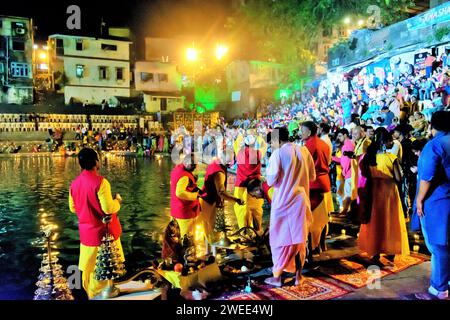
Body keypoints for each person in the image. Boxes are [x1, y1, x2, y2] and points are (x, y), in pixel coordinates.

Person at [69, 148, 124, 299]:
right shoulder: (101, 182)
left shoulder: (74, 184)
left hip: (86, 236)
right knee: (106, 269)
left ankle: (91, 295)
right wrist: (117, 201)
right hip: (104, 234)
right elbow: (108, 208)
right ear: (95, 162)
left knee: (90, 270)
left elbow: (73, 208)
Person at [265, 126, 315, 287]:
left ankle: (277, 277)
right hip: (300, 200)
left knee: (280, 239)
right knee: (299, 239)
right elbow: (312, 176)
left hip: (283, 201)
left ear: (277, 140)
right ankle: (298, 276)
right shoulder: (304, 151)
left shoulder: (277, 154)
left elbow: (270, 181)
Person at [358, 128, 410, 263]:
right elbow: (399, 177)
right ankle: (390, 249)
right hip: (389, 192)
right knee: (390, 221)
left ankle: (374, 252)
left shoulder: (368, 157)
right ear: (385, 141)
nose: (391, 143)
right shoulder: (391, 158)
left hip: (373, 192)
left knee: (375, 221)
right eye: (390, 140)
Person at [414, 111, 450, 300]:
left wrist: (419, 200)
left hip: (438, 202)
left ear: (432, 125)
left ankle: (439, 288)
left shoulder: (434, 145)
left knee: (438, 246)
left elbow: (427, 176)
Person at [301, 121, 332, 256]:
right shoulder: (323, 143)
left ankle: (313, 247)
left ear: (308, 132)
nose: (300, 133)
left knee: (311, 217)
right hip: (324, 181)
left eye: (302, 131)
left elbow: (304, 166)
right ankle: (322, 244)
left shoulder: (309, 145)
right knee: (323, 216)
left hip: (314, 183)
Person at [201, 157, 243, 244]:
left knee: (207, 230)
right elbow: (221, 192)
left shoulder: (214, 162)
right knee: (212, 232)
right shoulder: (220, 173)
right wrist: (236, 200)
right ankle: (213, 252)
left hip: (205, 200)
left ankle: (209, 250)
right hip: (210, 202)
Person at [170, 153, 202, 240]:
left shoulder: (177, 169)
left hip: (175, 210)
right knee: (186, 239)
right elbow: (179, 193)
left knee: (175, 237)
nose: (195, 167)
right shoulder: (184, 176)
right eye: (194, 165)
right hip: (184, 213)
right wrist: (195, 195)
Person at [233, 134, 262, 230]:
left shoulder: (239, 152)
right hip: (255, 186)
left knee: (242, 209)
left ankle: (244, 232)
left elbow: (236, 142)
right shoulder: (258, 153)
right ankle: (258, 232)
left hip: (241, 185)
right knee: (256, 209)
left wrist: (240, 135)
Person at [332, 128, 355, 216]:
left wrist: (344, 172)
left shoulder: (347, 145)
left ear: (345, 135)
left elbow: (346, 162)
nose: (338, 137)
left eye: (340, 135)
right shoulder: (348, 144)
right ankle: (346, 211)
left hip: (348, 174)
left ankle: (346, 213)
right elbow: (343, 160)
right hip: (349, 173)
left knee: (347, 195)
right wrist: (333, 158)